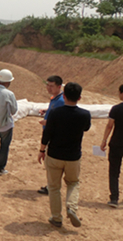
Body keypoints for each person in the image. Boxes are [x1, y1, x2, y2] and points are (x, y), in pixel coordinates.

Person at [38, 82, 91, 228]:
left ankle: (56, 217)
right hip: (73, 156)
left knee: (54, 187)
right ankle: (71, 208)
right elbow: (86, 128)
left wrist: (42, 150)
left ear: (64, 95)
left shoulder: (55, 113)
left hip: (54, 154)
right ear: (79, 98)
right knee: (73, 183)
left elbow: (47, 134)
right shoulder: (85, 114)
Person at [37, 75, 65, 195]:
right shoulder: (55, 99)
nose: (49, 88)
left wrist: (47, 122)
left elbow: (62, 119)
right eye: (47, 85)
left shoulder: (60, 101)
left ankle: (51, 187)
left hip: (53, 135)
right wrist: (47, 111)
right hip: (51, 132)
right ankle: (51, 185)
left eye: (51, 86)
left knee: (51, 163)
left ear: (59, 86)